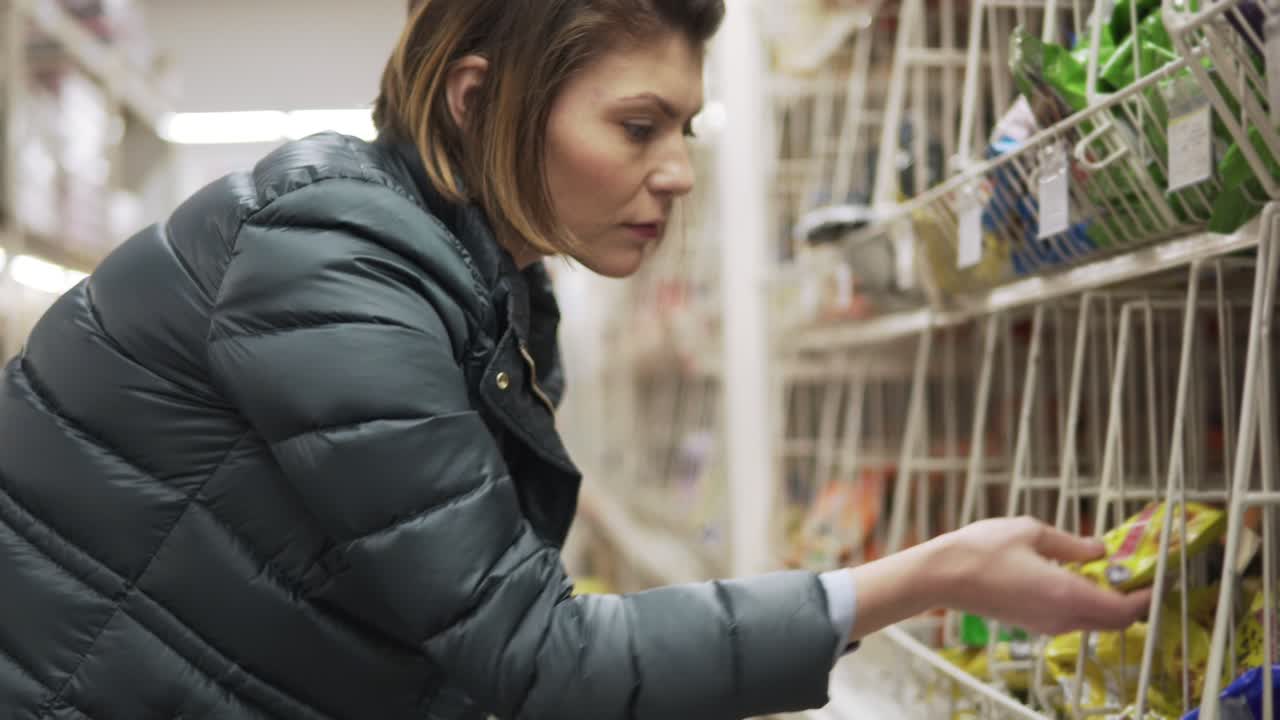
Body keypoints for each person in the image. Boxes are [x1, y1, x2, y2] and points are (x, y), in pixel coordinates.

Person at [0, 1, 1152, 718]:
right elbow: (535, 658)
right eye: (637, 126)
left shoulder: (482, 281)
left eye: (684, 129)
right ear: (478, 99)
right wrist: (928, 576)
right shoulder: (331, 260)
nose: (679, 172)